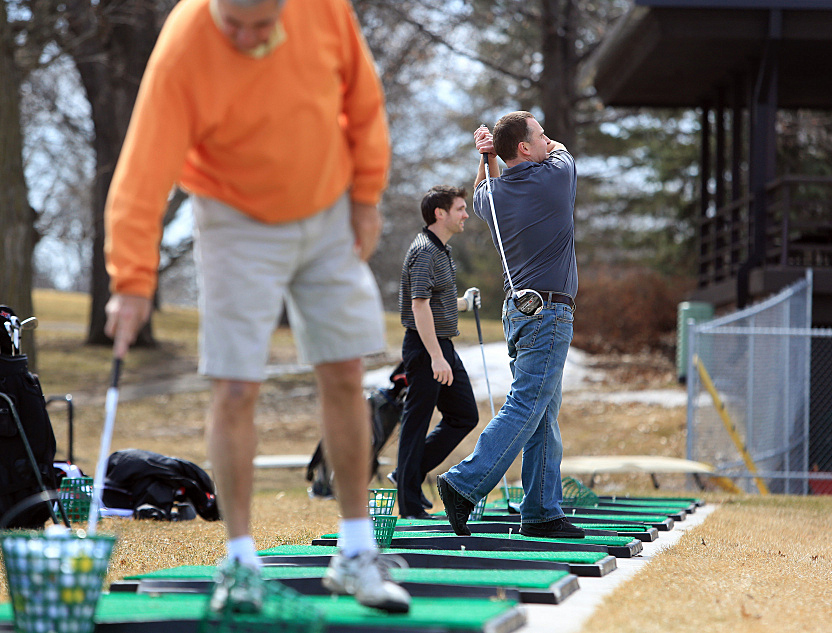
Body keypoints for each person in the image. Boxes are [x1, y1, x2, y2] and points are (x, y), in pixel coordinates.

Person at [103, 0, 410, 615]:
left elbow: (362, 97)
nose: (245, 38)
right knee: (236, 385)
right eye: (232, 25)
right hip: (233, 216)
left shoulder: (324, 11)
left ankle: (355, 553)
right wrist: (132, 279)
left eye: (260, 26)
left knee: (346, 371)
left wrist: (366, 194)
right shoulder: (185, 45)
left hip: (326, 204)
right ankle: (239, 562)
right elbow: (143, 169)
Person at [436, 112, 586, 540]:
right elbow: (559, 151)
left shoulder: (493, 197)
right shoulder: (554, 178)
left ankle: (540, 511)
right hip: (548, 313)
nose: (546, 140)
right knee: (527, 405)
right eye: (538, 135)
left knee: (542, 413)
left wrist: (487, 154)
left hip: (520, 313)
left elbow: (485, 184)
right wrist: (502, 149)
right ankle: (463, 483)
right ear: (525, 148)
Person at [394, 185, 480, 520]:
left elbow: (435, 302)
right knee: (415, 422)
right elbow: (419, 306)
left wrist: (463, 304)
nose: (465, 214)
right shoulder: (426, 251)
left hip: (439, 344)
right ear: (439, 214)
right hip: (425, 347)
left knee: (464, 415)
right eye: (460, 208)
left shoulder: (441, 250)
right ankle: (410, 506)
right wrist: (436, 357)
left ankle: (408, 473)